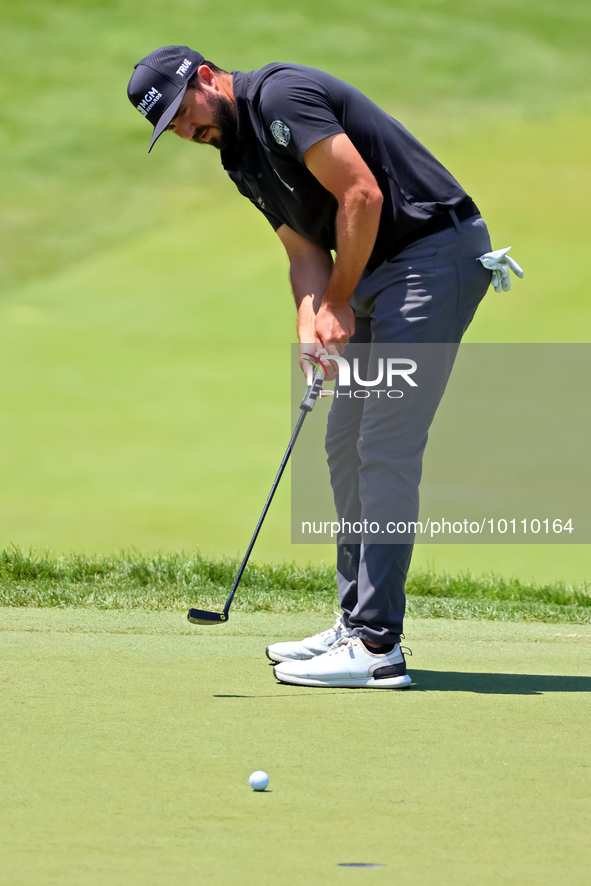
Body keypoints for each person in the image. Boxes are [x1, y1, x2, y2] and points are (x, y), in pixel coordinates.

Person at [127, 45, 522, 689]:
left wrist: (339, 300)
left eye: (182, 111)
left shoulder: (280, 96)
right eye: (168, 126)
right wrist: (312, 322)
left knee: (384, 446)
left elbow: (360, 193)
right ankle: (352, 622)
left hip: (431, 258)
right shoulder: (237, 156)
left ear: (205, 78)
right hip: (374, 274)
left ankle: (377, 646)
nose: (183, 130)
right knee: (344, 443)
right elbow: (303, 249)